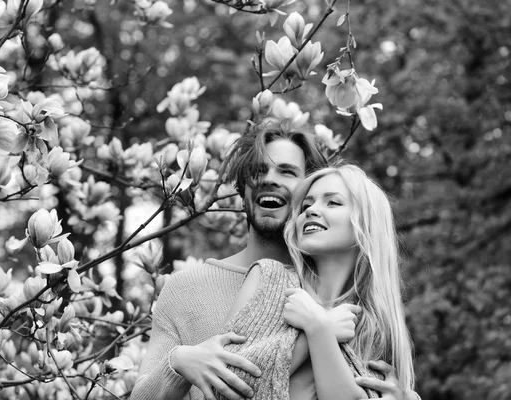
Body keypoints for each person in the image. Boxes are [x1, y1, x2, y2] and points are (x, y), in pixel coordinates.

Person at [131, 121, 419, 400]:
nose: (270, 179)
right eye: (258, 171)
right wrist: (179, 362)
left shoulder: (350, 297)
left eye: (287, 172)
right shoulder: (187, 288)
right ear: (242, 190)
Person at [216, 164, 415, 399]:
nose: (311, 211)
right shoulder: (268, 280)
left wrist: (318, 330)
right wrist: (323, 328)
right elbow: (222, 383)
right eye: (307, 205)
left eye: (333, 202)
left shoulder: (374, 328)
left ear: (367, 225)